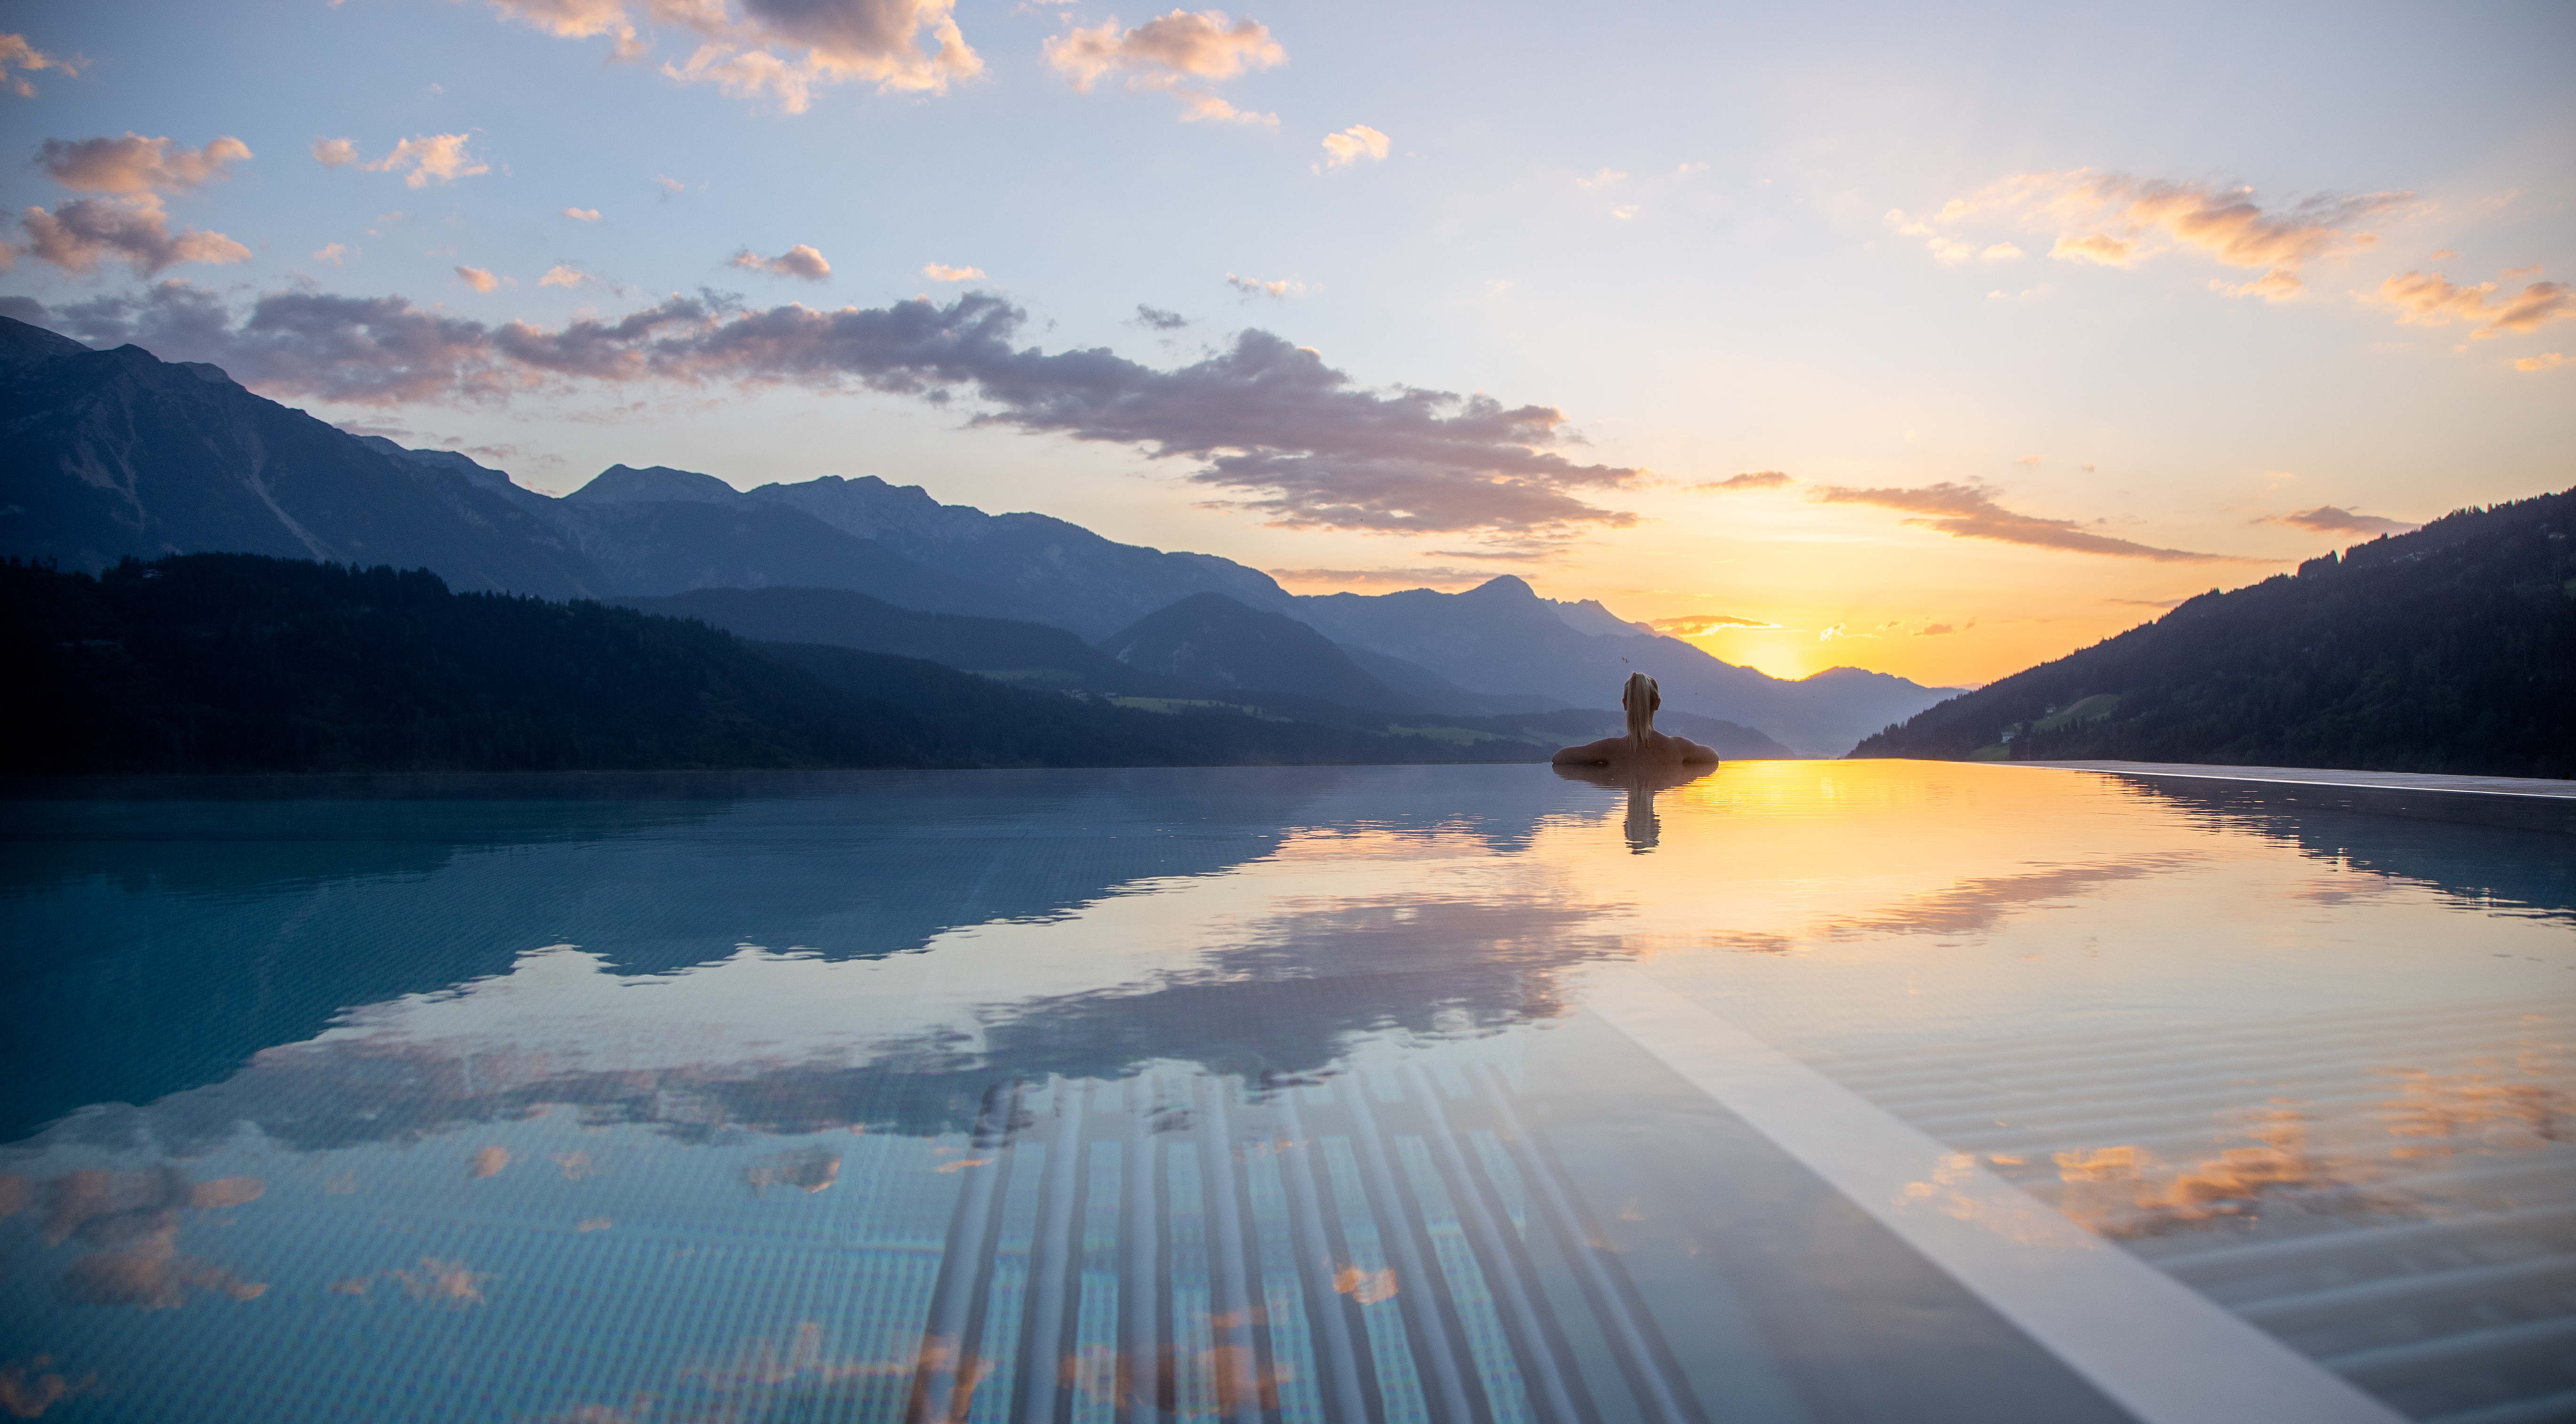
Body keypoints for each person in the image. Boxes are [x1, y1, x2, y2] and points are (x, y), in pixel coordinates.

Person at [1550, 672, 1723, 767]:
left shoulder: (1610, 749)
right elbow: (1713, 757)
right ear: (1657, 704)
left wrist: (1598, 771)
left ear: (1625, 704)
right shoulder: (1678, 748)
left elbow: (1559, 758)